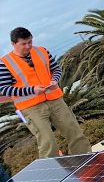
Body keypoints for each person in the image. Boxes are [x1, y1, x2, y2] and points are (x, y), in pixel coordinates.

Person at [0, 27, 91, 158]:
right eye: (23, 44)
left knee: (75, 133)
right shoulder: (5, 63)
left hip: (55, 100)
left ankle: (86, 160)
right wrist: (32, 90)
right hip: (31, 107)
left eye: (30, 42)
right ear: (13, 44)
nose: (28, 46)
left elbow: (56, 70)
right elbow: (4, 89)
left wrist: (54, 80)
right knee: (48, 143)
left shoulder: (42, 51)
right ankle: (52, 170)